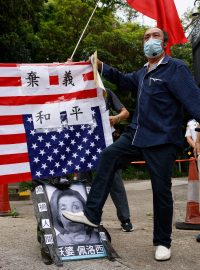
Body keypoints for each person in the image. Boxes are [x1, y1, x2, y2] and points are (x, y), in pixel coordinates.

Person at [62, 27, 200, 261]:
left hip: (162, 140)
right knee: (108, 156)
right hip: (136, 134)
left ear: (164, 43)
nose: (150, 40)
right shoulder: (142, 73)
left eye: (155, 36)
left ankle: (162, 242)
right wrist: (99, 65)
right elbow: (122, 79)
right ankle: (92, 214)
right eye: (146, 37)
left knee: (161, 191)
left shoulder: (175, 68)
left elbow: (195, 100)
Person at [78, 88, 133, 232]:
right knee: (83, 182)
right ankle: (87, 218)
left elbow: (125, 112)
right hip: (82, 144)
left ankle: (125, 219)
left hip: (105, 141)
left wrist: (116, 118)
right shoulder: (74, 91)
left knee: (115, 181)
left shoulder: (105, 92)